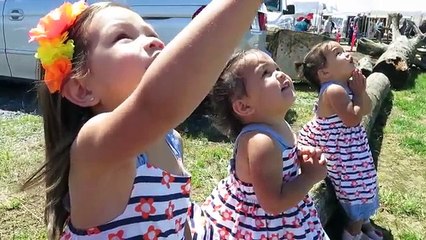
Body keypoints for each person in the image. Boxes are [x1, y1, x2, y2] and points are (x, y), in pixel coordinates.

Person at [22, 0, 265, 239]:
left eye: (151, 33)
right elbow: (156, 105)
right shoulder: (95, 146)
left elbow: (180, 215)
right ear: (82, 90)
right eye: (122, 37)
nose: (155, 41)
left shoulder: (170, 137)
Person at [189, 49, 329, 239]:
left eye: (276, 68)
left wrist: (299, 155)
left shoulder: (278, 124)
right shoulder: (261, 142)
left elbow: (282, 161)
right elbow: (273, 203)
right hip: (260, 227)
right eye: (266, 73)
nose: (280, 74)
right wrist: (309, 177)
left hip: (281, 218)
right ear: (244, 106)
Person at [297, 41, 383, 240]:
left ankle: (363, 223)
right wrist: (359, 93)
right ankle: (352, 233)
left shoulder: (345, 85)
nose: (347, 54)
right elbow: (353, 119)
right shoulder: (333, 90)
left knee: (365, 181)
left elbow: (366, 108)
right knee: (356, 187)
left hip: (351, 148)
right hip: (341, 153)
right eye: (338, 53)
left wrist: (361, 90)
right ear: (324, 73)